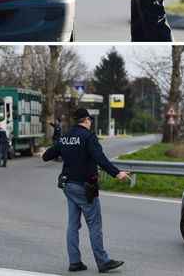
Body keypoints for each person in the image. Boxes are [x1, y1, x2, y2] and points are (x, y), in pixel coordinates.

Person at [42, 108, 130, 273]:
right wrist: (117, 173)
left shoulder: (66, 137)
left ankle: (75, 262)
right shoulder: (88, 137)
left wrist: (57, 146)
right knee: (95, 224)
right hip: (85, 187)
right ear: (87, 120)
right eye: (90, 120)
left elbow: (46, 156)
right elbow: (100, 158)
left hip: (68, 185)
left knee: (73, 224)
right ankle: (103, 262)